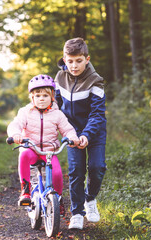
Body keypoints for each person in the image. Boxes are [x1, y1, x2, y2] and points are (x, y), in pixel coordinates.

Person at [7, 74, 80, 216]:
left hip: (49, 152)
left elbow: (68, 129)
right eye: (38, 95)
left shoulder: (57, 114)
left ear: (52, 97)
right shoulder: (25, 112)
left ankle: (58, 200)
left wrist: (73, 138)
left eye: (45, 96)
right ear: (32, 97)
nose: (41, 99)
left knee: (57, 174)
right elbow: (15, 124)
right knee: (24, 155)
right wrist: (16, 134)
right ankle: (26, 190)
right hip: (31, 149)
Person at [54, 37, 107, 230]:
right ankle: (77, 213)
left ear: (87, 59)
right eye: (70, 61)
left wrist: (86, 135)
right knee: (76, 171)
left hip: (94, 132)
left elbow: (97, 114)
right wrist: (62, 131)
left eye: (78, 61)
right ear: (65, 59)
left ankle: (89, 199)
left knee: (97, 167)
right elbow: (56, 107)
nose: (74, 66)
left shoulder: (96, 81)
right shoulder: (59, 79)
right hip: (71, 132)